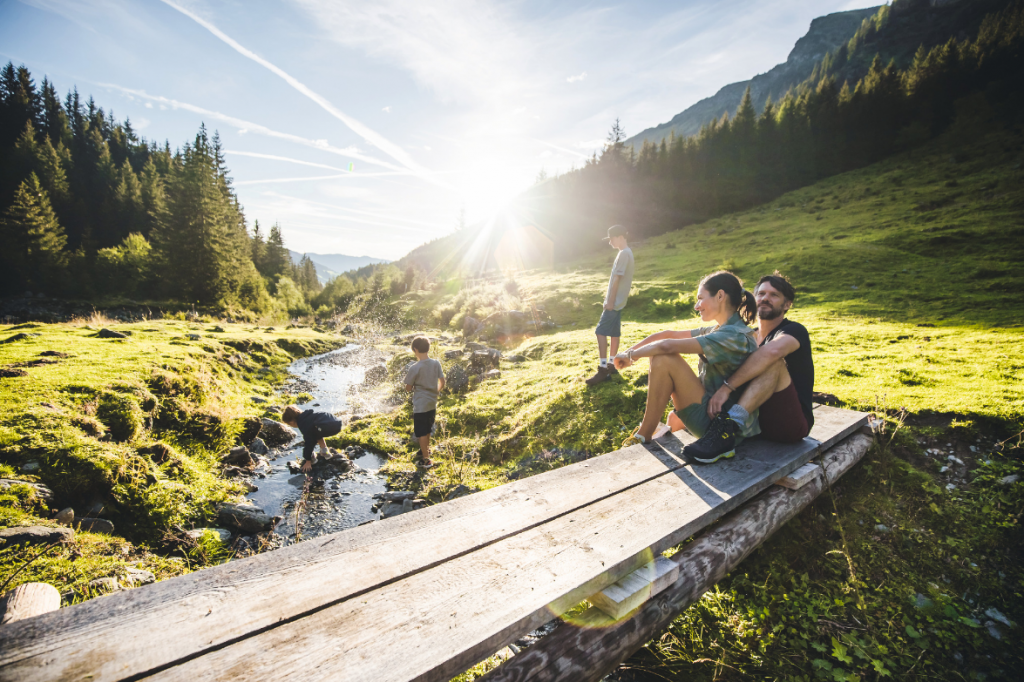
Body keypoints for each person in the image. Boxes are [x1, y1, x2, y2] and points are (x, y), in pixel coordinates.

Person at [613, 270, 759, 463]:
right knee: (662, 356)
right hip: (716, 415)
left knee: (664, 359)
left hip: (721, 428)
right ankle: (645, 433)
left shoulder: (732, 336)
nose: (697, 306)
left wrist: (632, 355)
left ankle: (643, 435)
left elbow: (667, 345)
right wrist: (629, 353)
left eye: (700, 298)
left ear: (720, 296)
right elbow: (668, 335)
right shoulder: (723, 329)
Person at [685, 271, 815, 462]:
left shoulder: (794, 331)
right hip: (754, 424)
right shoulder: (748, 335)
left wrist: (726, 388)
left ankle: (729, 425)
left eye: (774, 295)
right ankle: (724, 430)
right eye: (761, 294)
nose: (765, 299)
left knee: (773, 362)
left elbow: (770, 353)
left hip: (789, 424)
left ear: (787, 305)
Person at [586, 225, 635, 386]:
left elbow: (617, 280)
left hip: (614, 303)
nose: (610, 243)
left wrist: (610, 301)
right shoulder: (627, 253)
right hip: (619, 302)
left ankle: (602, 370)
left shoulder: (623, 254)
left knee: (600, 332)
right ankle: (612, 365)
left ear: (620, 237)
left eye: (612, 239)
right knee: (614, 333)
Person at [404, 336, 446, 467]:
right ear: (428, 348)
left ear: (415, 350)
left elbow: (408, 388)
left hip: (421, 404)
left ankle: (426, 460)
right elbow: (442, 381)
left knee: (421, 431)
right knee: (428, 428)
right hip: (432, 402)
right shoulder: (436, 363)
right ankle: (425, 450)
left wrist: (409, 385)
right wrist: (436, 391)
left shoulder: (415, 367)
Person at [282, 405, 342, 474]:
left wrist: (308, 460)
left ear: (291, 422)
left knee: (310, 438)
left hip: (326, 427)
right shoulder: (308, 416)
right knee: (315, 432)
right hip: (336, 423)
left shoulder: (304, 424)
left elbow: (309, 443)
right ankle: (325, 452)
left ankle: (312, 458)